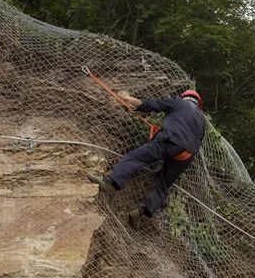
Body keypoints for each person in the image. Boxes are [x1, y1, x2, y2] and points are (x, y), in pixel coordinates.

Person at [87, 89, 206, 228]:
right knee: (163, 185)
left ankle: (111, 182)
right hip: (185, 155)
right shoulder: (202, 119)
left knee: (135, 158)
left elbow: (153, 104)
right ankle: (141, 211)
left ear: (184, 97)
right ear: (198, 103)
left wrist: (129, 98)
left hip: (169, 140)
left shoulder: (178, 103)